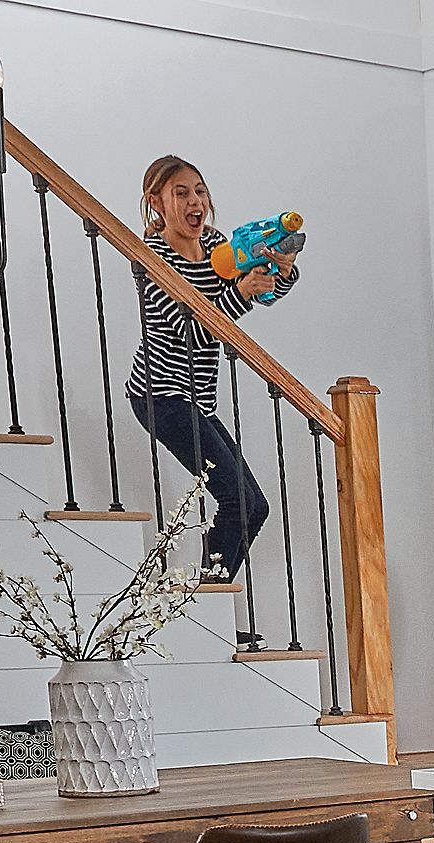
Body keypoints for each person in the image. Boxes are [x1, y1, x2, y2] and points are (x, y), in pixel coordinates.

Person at [129, 156, 291, 614]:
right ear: (156, 202)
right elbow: (194, 329)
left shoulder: (218, 246)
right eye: (181, 193)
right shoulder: (152, 259)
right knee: (240, 501)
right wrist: (240, 293)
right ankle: (199, 606)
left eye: (199, 191)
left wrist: (280, 270)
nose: (195, 201)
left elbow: (263, 295)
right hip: (160, 395)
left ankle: (199, 601)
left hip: (198, 398)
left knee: (252, 506)